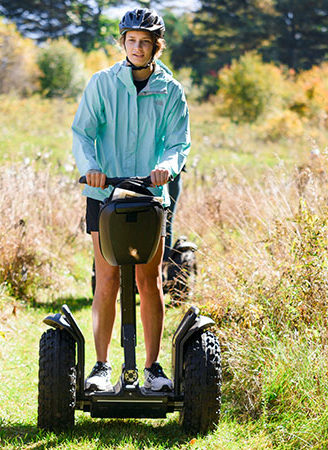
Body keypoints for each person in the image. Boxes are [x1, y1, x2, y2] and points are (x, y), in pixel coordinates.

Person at [72, 8, 190, 392]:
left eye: (145, 42)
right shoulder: (102, 84)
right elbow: (83, 133)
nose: (138, 48)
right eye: (131, 41)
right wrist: (91, 166)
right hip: (104, 192)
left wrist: (167, 167)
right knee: (105, 278)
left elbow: (178, 141)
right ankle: (102, 367)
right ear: (123, 43)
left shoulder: (170, 90)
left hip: (150, 195)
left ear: (157, 46)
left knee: (148, 277)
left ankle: (154, 370)